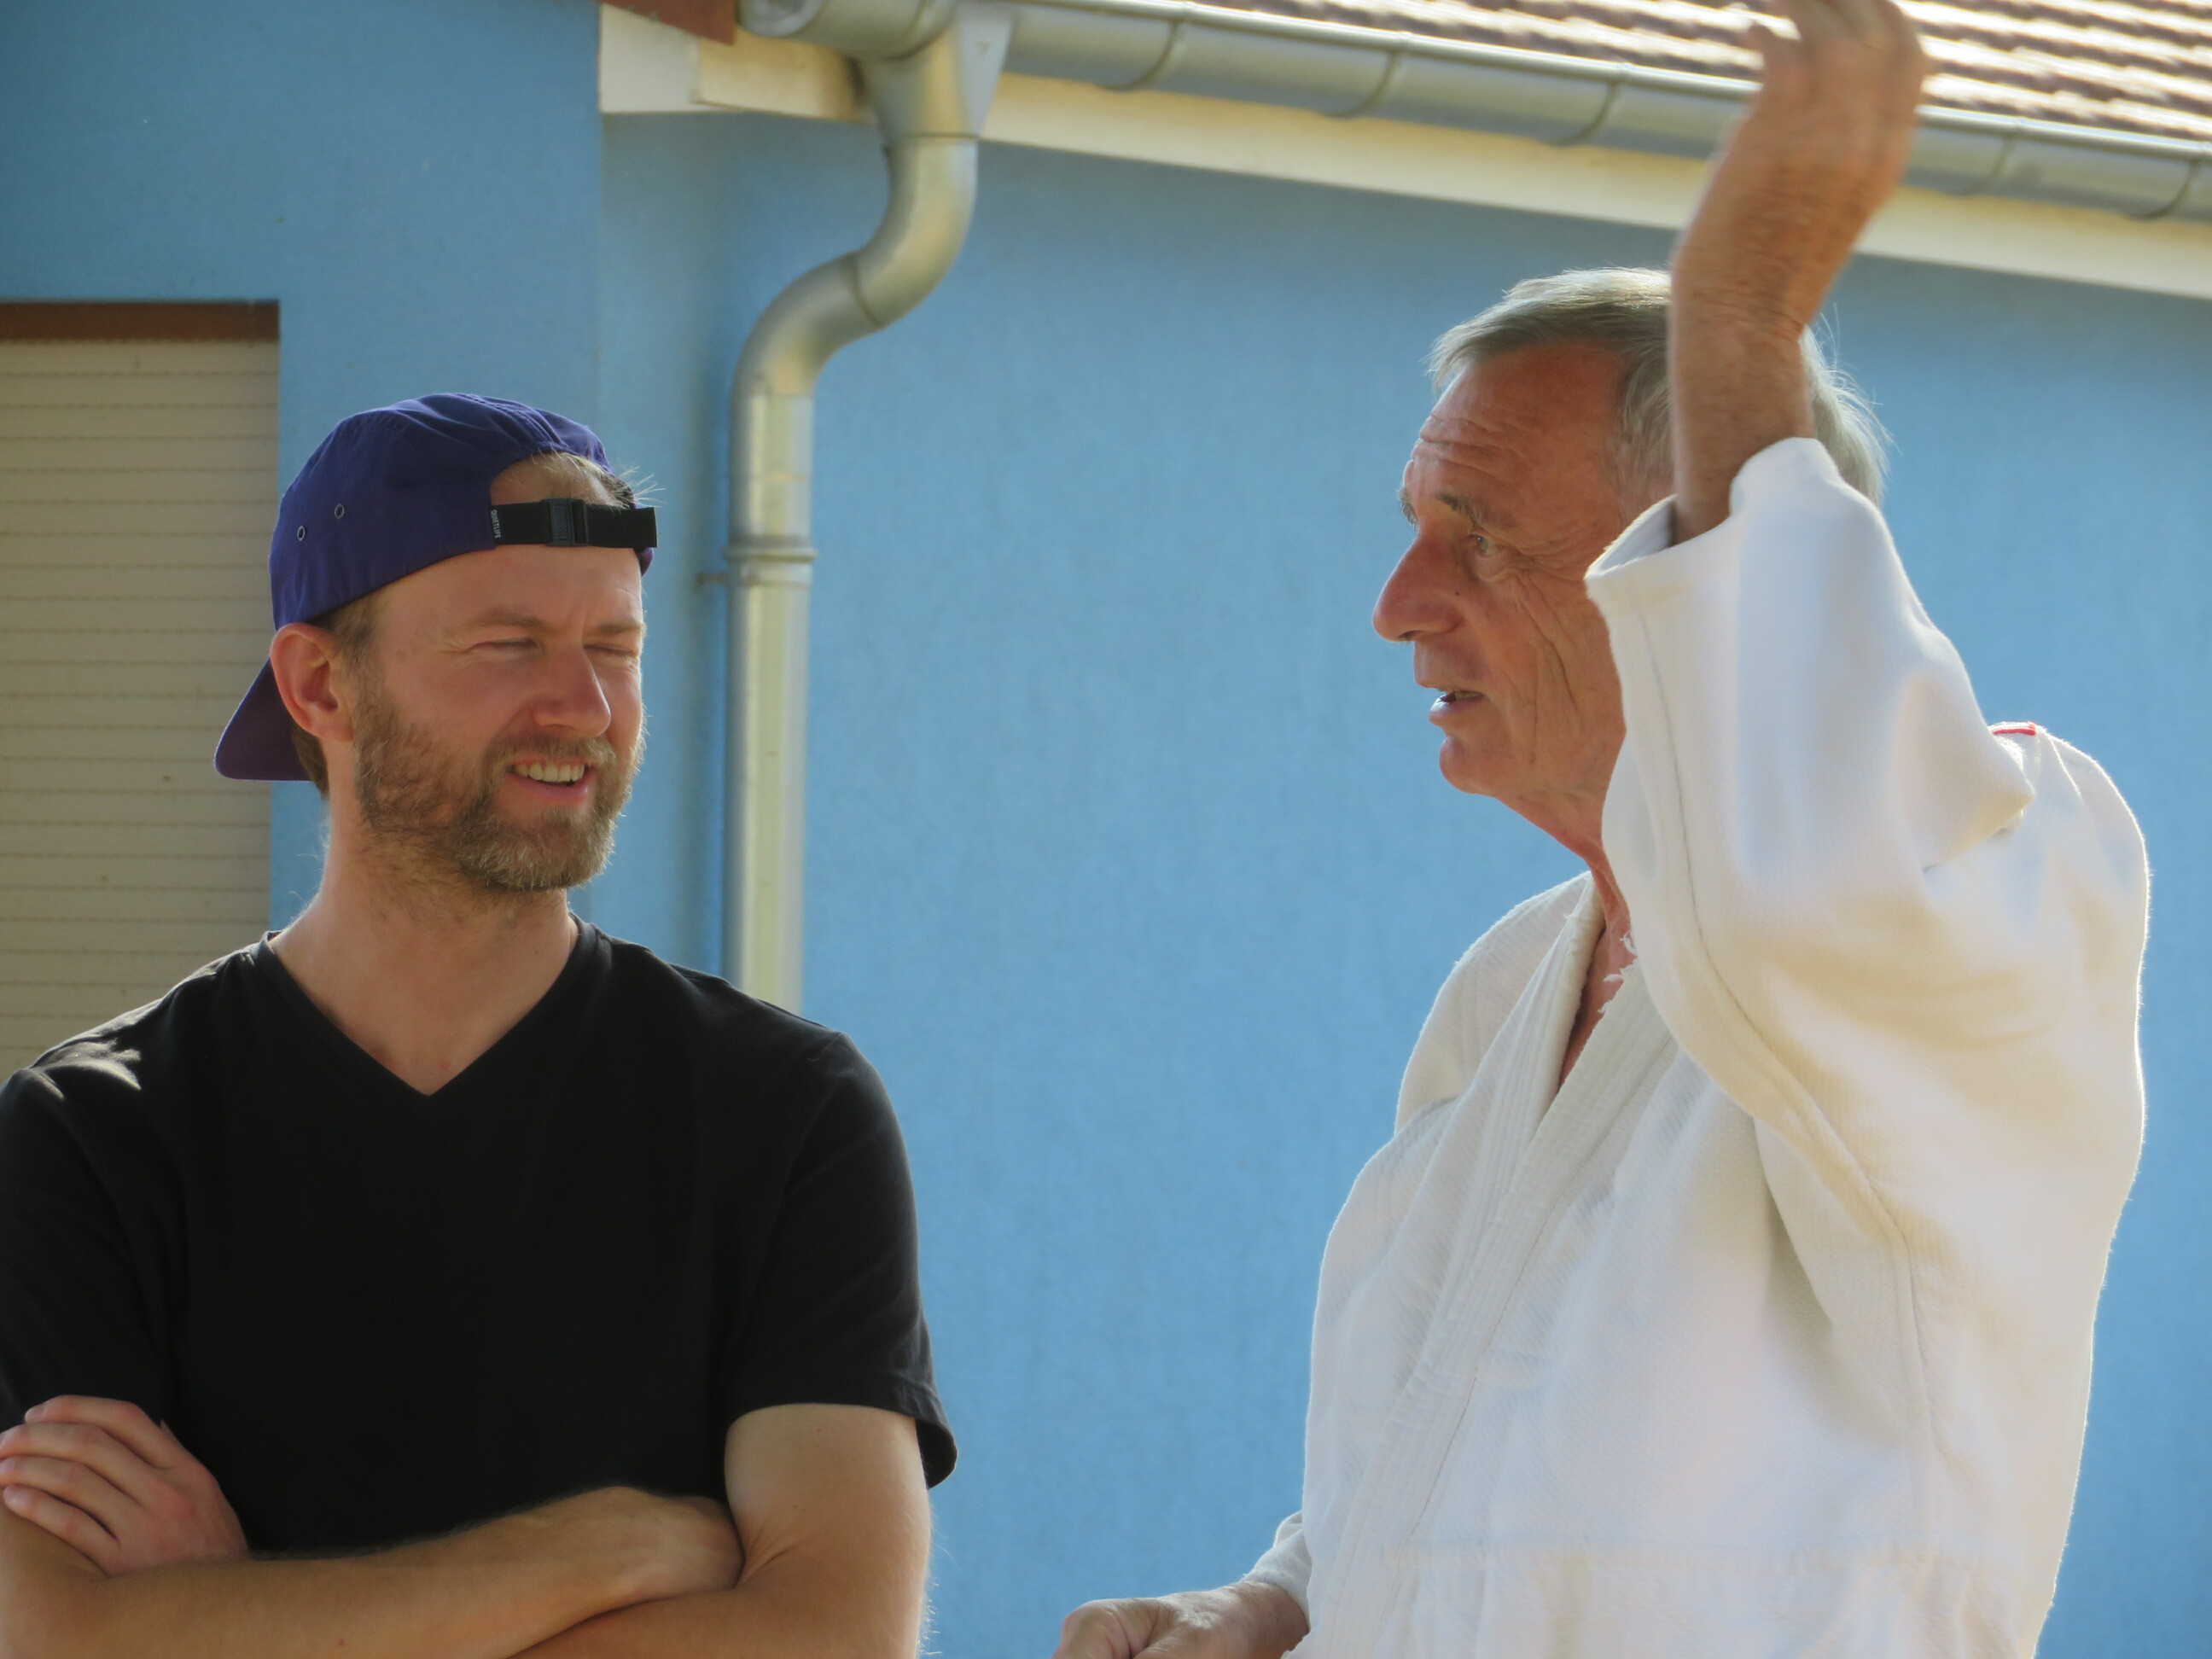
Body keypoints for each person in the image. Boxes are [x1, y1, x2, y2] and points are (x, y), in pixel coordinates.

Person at [1053, 3, 2146, 1655]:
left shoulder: (2001, 890)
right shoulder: (1511, 988)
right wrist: (1274, 1603)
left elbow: (1810, 875)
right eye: (1415, 530)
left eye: (1481, 538)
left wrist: (1742, 321)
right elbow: (1454, 1453)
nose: (1398, 606)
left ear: (1688, 578)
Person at [0, 393, 953, 1658]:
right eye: (510, 644)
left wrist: (240, 1619)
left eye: (614, 647)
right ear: (320, 683)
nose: (585, 706)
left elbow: (833, 1635)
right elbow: (54, 1636)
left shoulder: (784, 1113)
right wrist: (600, 1550)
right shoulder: (92, 1134)